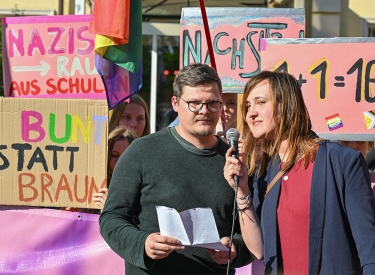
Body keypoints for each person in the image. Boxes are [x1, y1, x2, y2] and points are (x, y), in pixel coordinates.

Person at [99, 63, 262, 274]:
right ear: (175, 103)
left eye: (213, 103)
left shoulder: (235, 162)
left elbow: (251, 234)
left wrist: (234, 249)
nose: (204, 111)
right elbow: (111, 219)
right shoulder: (141, 152)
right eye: (194, 103)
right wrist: (143, 243)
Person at [224, 70, 375, 274]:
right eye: (248, 105)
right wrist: (242, 191)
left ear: (286, 105)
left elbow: (369, 247)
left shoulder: (342, 161)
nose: (250, 113)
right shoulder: (264, 171)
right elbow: (259, 250)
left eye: (260, 102)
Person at [92, 126, 138, 210]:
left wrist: (111, 209)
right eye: (114, 155)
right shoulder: (92, 191)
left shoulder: (142, 195)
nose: (120, 161)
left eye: (125, 156)